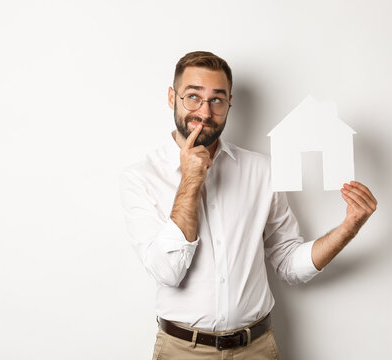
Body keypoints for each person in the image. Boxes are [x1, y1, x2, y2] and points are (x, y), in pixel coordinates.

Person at [120, 51, 377, 360]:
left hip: (255, 349)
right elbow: (168, 272)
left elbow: (288, 265)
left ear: (229, 103)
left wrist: (348, 227)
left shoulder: (261, 171)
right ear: (172, 97)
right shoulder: (141, 178)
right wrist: (190, 181)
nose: (204, 111)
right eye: (192, 97)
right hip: (181, 351)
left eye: (216, 99)